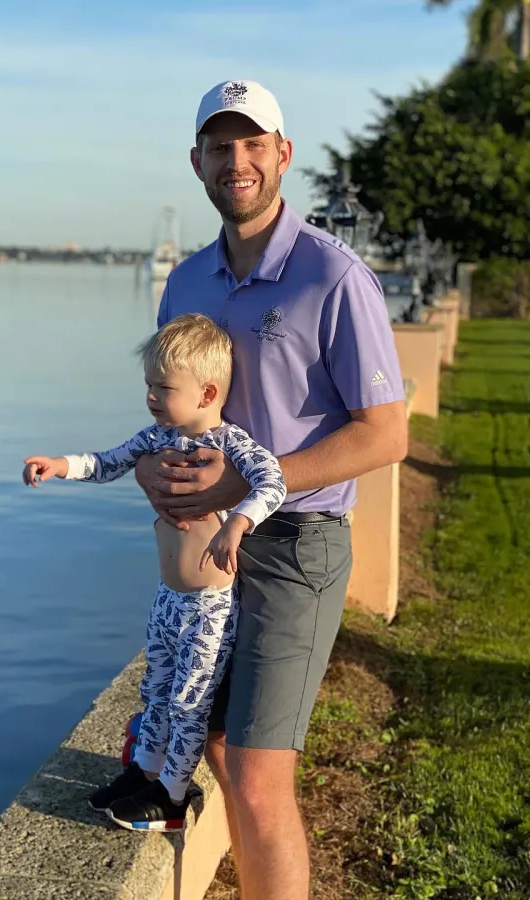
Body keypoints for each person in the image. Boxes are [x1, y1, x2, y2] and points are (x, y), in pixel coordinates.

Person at [132, 80, 408, 898]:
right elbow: (175, 402)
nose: (238, 160)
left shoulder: (334, 276)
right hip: (211, 548)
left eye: (254, 143)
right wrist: (155, 465)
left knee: (256, 773)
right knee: (215, 744)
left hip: (297, 546)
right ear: (198, 164)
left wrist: (253, 482)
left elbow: (386, 433)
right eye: (221, 146)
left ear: (283, 155)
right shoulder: (185, 283)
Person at [21, 313, 287, 832]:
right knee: (158, 688)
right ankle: (145, 770)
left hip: (208, 605)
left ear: (207, 393)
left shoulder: (232, 445)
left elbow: (273, 481)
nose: (151, 397)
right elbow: (107, 461)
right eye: (148, 386)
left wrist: (238, 522)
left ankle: (173, 792)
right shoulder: (154, 438)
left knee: (191, 699)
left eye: (162, 388)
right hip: (168, 598)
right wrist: (60, 464)